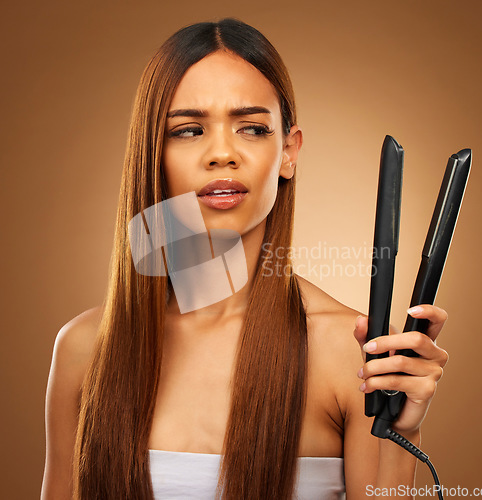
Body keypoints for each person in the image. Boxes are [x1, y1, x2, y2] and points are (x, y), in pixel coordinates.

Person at [41, 18, 449, 500]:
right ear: (151, 152)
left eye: (252, 128)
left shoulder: (348, 353)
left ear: (288, 152)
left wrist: (403, 434)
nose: (222, 153)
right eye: (189, 130)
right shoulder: (85, 350)